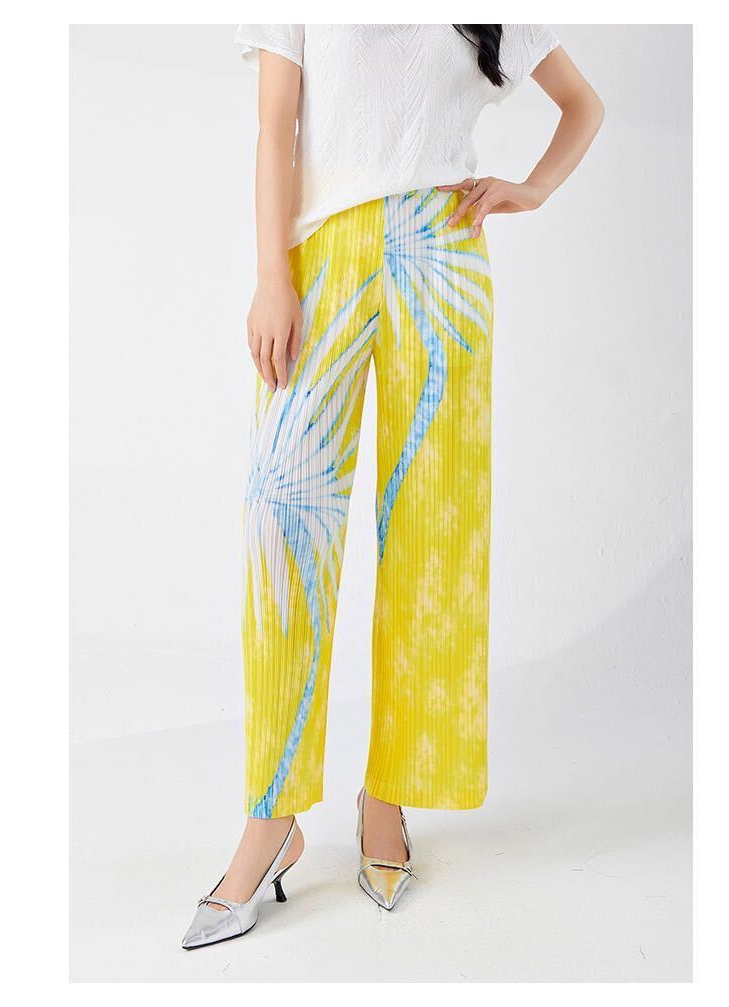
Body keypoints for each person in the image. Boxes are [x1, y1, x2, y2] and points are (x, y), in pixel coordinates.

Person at [182, 23, 603, 949]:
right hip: (321, 257)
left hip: (443, 258)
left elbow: (584, 106)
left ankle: (390, 793)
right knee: (280, 516)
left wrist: (531, 187)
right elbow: (277, 126)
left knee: (432, 537)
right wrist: (271, 275)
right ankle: (272, 816)